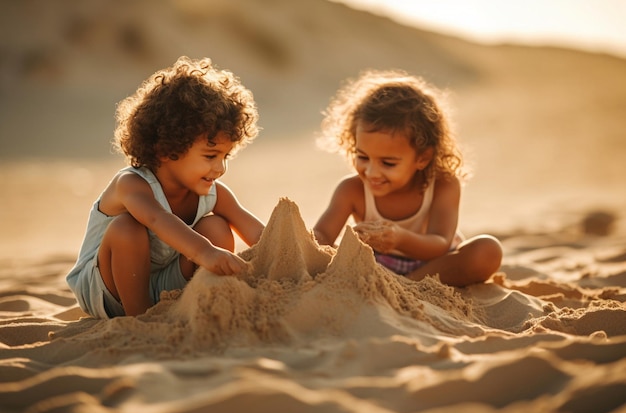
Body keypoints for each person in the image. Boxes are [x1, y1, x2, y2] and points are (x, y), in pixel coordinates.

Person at [66, 56, 265, 318]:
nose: (220, 169)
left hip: (163, 284)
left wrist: (288, 249)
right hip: (108, 288)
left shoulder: (214, 192)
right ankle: (140, 318)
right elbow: (156, 218)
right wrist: (206, 252)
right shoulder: (131, 184)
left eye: (225, 157)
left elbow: (259, 233)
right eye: (210, 156)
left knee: (216, 227)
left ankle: (199, 298)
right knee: (128, 228)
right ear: (166, 149)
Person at [313, 70, 502, 286]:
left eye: (388, 163)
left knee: (487, 251)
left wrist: (399, 238)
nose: (372, 172)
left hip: (434, 267)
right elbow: (323, 236)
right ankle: (394, 284)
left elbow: (440, 242)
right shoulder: (351, 190)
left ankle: (408, 285)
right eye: (362, 157)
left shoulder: (442, 185)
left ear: (423, 157)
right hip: (377, 266)